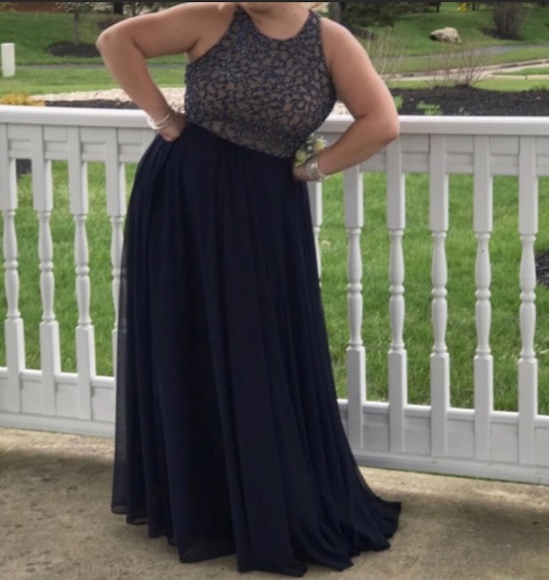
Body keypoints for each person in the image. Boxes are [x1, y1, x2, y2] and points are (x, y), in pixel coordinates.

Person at [97, 2, 401, 577]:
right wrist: (163, 117)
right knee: (186, 342)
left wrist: (314, 168)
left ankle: (262, 500)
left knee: (257, 348)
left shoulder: (329, 41)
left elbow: (381, 122)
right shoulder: (210, 18)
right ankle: (199, 504)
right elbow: (116, 41)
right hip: (183, 201)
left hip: (264, 210)